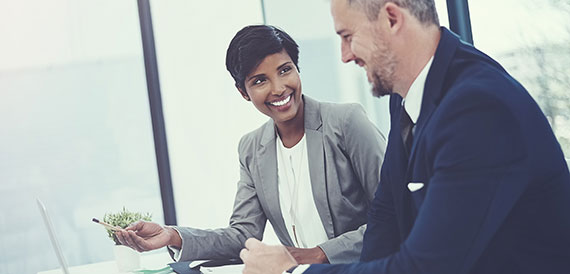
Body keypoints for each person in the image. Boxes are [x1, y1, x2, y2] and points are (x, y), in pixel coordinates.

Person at [239, 0, 570, 273]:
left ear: (391, 19)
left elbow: (426, 267)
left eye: (348, 36)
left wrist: (293, 270)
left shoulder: (478, 108)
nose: (345, 54)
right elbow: (387, 214)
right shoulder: (407, 95)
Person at [114, 25, 387, 265]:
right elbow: (243, 235)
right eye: (260, 80)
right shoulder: (252, 149)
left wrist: (315, 254)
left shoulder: (347, 122)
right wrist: (171, 235)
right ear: (243, 92)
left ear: (297, 69)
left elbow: (396, 215)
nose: (279, 88)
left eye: (285, 70)